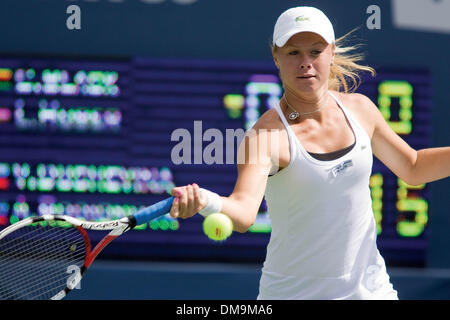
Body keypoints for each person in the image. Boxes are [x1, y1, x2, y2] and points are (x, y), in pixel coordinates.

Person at [169, 6, 450, 299]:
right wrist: (206, 201)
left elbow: (414, 167)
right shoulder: (265, 135)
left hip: (371, 291)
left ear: (331, 52)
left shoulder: (361, 109)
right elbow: (243, 212)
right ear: (276, 57)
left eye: (315, 51)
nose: (306, 63)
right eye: (293, 53)